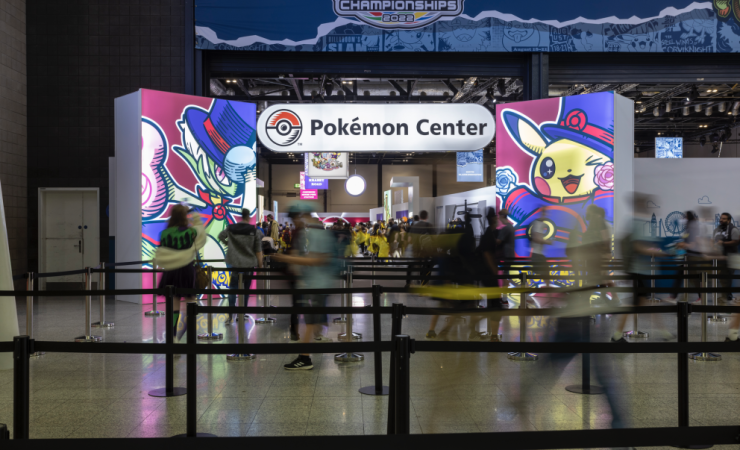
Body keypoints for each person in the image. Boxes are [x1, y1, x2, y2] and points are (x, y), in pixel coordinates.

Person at [273, 203, 338, 370]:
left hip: (317, 284)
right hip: (318, 283)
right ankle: (306, 353)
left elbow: (317, 260)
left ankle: (305, 358)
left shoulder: (314, 234)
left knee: (310, 321)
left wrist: (286, 259)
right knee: (311, 320)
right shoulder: (319, 232)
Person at [612, 194, 673, 342]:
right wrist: (659, 252)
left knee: (642, 303)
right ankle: (616, 336)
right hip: (639, 271)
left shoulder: (638, 221)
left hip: (642, 271)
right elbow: (638, 246)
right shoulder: (636, 222)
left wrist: (656, 250)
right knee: (635, 304)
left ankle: (665, 333)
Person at [154, 204, 206, 342]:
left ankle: (172, 337)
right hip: (186, 270)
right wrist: (194, 216)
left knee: (174, 304)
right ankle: (190, 338)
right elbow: (201, 232)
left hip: (170, 271)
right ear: (184, 216)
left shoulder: (164, 233)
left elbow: (162, 251)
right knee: (191, 302)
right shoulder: (190, 232)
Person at [218, 209, 264, 323]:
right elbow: (258, 251)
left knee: (233, 288)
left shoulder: (231, 228)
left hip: (234, 262)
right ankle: (241, 314)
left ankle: (230, 315)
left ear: (241, 216)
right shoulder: (254, 231)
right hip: (248, 264)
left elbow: (220, 236)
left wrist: (229, 244)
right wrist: (260, 266)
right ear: (248, 217)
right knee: (245, 290)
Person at [713, 212, 739, 304]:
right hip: (721, 257)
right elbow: (714, 241)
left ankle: (727, 296)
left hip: (732, 256)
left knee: (728, 277)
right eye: (721, 218)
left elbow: (736, 241)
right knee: (722, 277)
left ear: (729, 220)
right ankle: (728, 296)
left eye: (724, 218)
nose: (721, 220)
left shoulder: (733, 229)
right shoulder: (717, 229)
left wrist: (723, 243)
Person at [406, 210, 434, 288]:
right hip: (426, 252)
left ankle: (409, 283)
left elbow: (409, 240)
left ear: (420, 217)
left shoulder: (414, 226)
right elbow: (434, 239)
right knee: (426, 267)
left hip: (415, 251)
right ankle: (424, 284)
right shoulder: (429, 226)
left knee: (413, 267)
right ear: (427, 217)